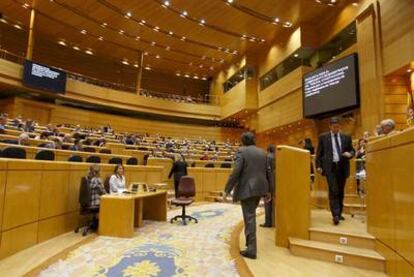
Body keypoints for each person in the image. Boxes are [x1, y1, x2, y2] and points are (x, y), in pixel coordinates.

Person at [223, 132, 271, 259]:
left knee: (249, 217)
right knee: (251, 216)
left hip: (248, 189)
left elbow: (236, 172)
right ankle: (250, 245)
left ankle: (251, 249)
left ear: (243, 141)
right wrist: (268, 191)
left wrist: (227, 189)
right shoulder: (262, 152)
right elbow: (268, 172)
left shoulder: (242, 151)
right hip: (260, 188)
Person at [316, 117, 355, 225]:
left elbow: (352, 150)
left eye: (338, 127)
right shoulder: (323, 137)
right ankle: (335, 215)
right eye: (334, 127)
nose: (336, 129)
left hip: (342, 167)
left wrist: (350, 154)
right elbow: (319, 153)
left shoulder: (346, 137)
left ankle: (339, 212)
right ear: (330, 127)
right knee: (334, 190)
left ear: (340, 127)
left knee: (341, 191)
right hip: (330, 168)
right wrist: (318, 166)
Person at [260, 144, 275, 228]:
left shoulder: (268, 157)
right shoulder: (277, 157)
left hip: (268, 183)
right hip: (276, 183)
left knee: (267, 204)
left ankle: (268, 222)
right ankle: (272, 221)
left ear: (268, 150)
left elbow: (266, 172)